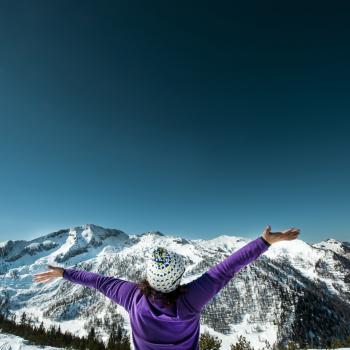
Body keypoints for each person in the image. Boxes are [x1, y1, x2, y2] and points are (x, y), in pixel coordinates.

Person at [33, 225, 300, 350]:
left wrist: (64, 273)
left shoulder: (132, 297)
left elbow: (98, 282)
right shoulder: (191, 300)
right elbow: (227, 268)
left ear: (147, 278)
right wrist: (264, 242)